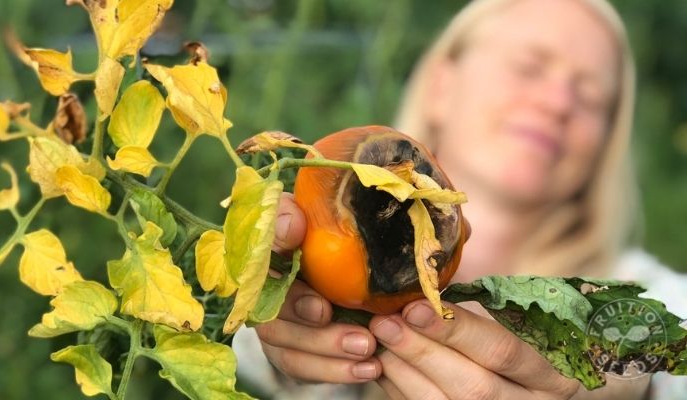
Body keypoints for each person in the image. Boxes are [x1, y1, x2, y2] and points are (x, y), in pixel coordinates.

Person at [233, 0, 687, 399]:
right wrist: (280, 309)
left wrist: (627, 376)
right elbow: (245, 350)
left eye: (591, 96)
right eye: (528, 66)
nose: (558, 101)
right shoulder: (328, 205)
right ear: (441, 85)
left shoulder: (658, 298)